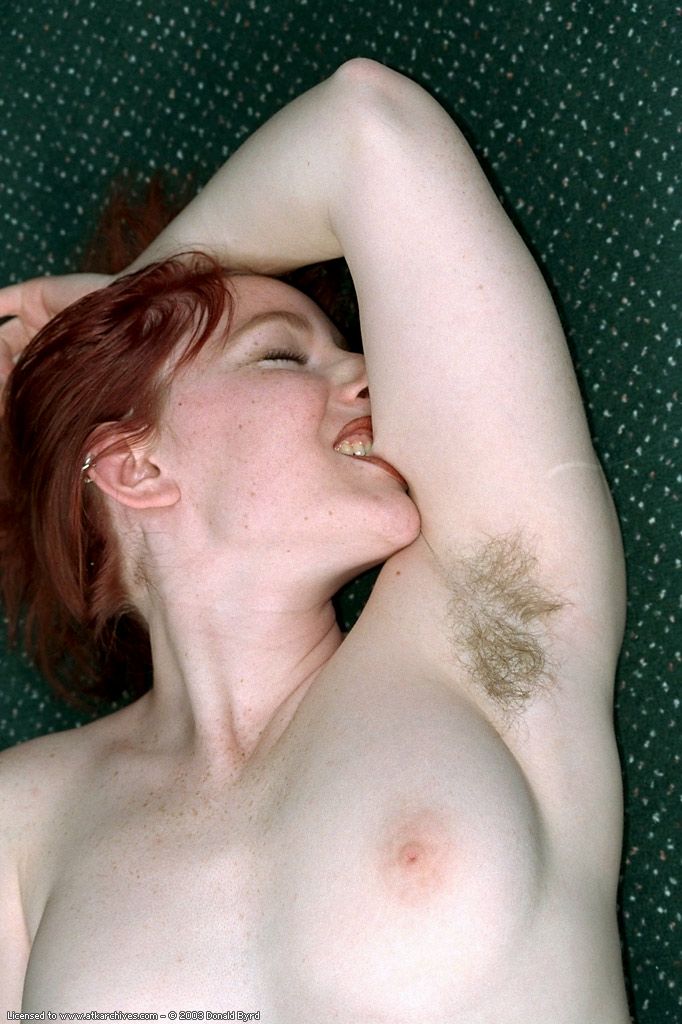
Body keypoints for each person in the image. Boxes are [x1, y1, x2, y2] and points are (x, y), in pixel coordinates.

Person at [0, 58, 630, 1021]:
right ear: (136, 467)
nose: (367, 375)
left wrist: (125, 299)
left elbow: (368, 128)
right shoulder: (25, 823)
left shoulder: (484, 628)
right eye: (283, 356)